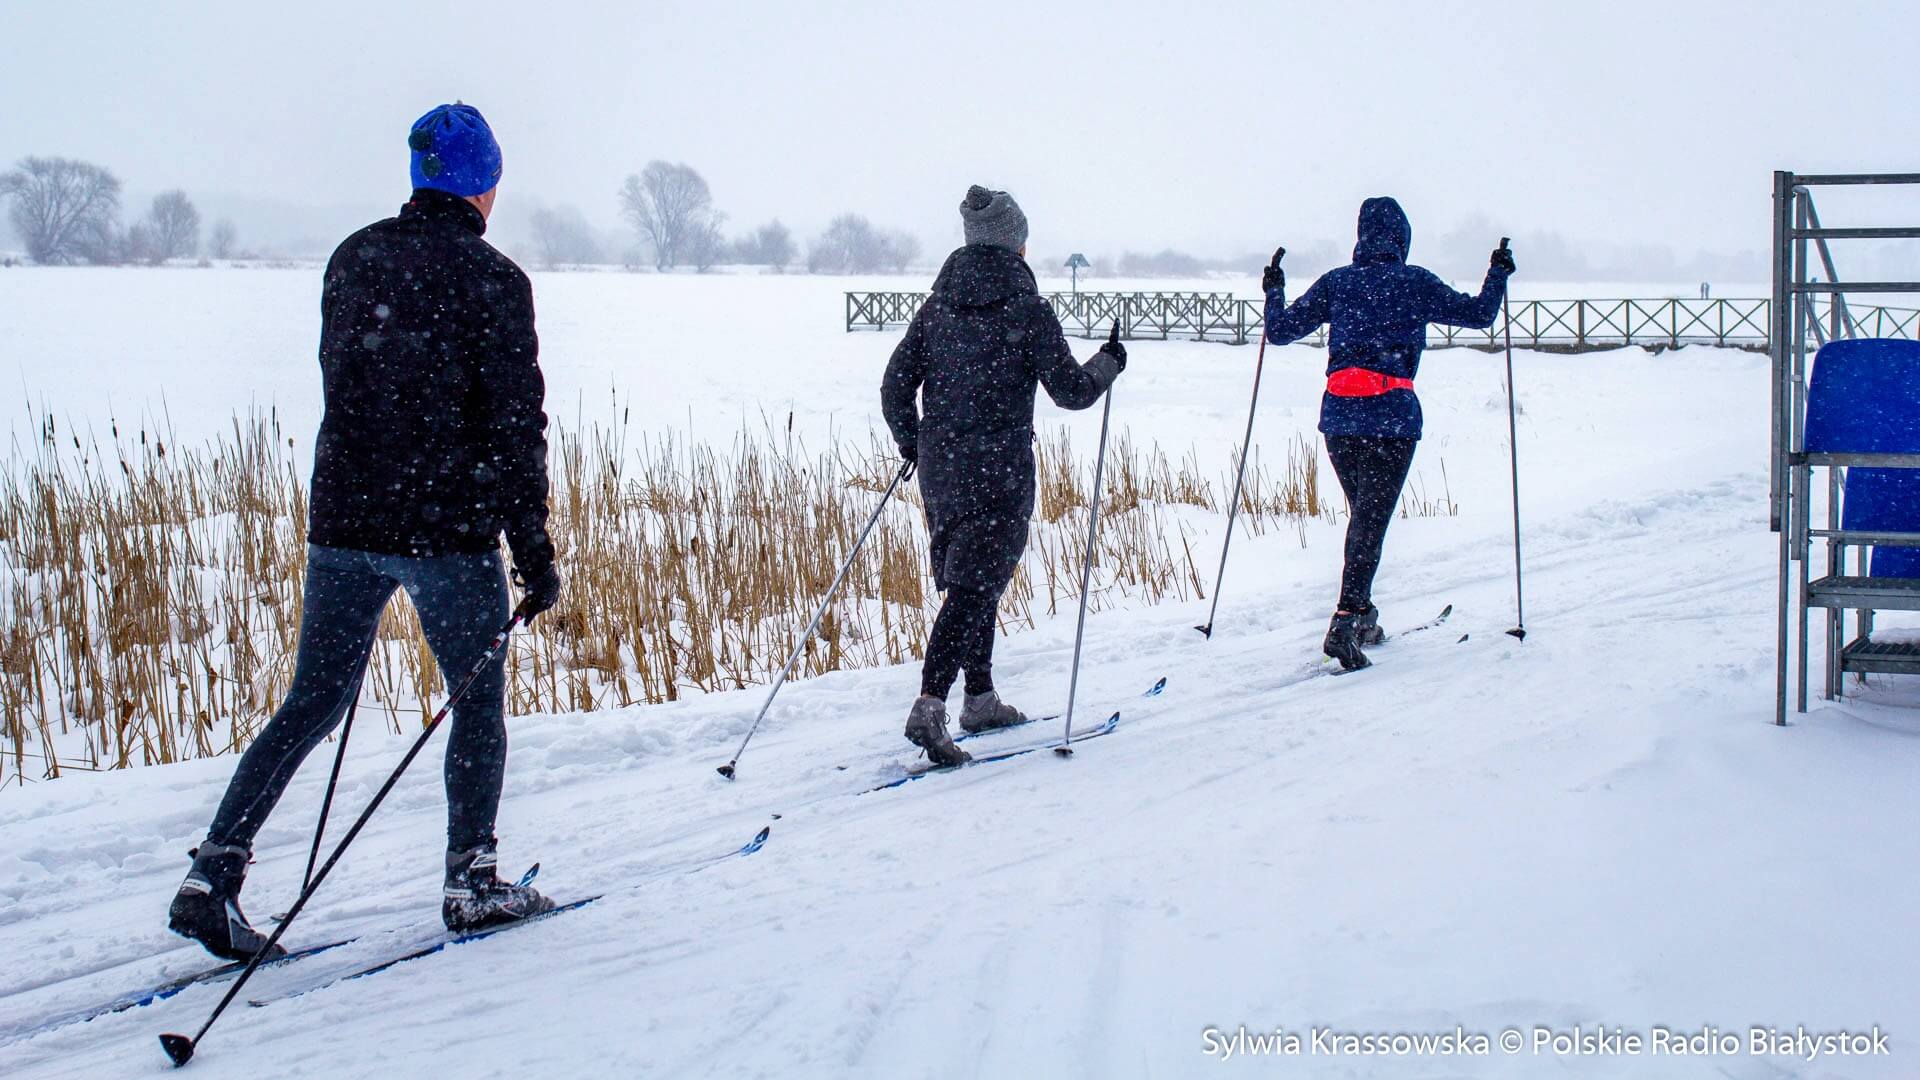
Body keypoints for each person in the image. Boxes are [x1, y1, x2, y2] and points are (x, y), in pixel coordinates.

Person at [168, 103, 563, 961]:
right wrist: (533, 549)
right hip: (447, 530)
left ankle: (214, 872)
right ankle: (472, 878)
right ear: (483, 184)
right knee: (476, 698)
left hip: (344, 515)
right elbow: (514, 427)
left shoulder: (355, 258)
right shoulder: (494, 281)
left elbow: (348, 379)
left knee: (313, 699)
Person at [881, 185, 1126, 766]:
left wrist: (915, 442)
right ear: (1016, 244)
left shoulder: (936, 310)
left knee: (975, 581)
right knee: (973, 587)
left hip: (942, 468)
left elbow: (895, 386)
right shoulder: (1026, 309)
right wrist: (1109, 363)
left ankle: (981, 697)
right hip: (998, 469)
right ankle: (930, 705)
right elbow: (1070, 391)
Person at [1263, 196, 1514, 670]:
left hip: (1339, 416)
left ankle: (1362, 615)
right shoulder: (1414, 282)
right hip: (1390, 417)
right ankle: (1343, 620)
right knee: (1369, 522)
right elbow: (1481, 314)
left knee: (1365, 518)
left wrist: (1274, 288)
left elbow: (1278, 331)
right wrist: (1498, 271)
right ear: (1402, 237)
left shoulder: (1337, 282)